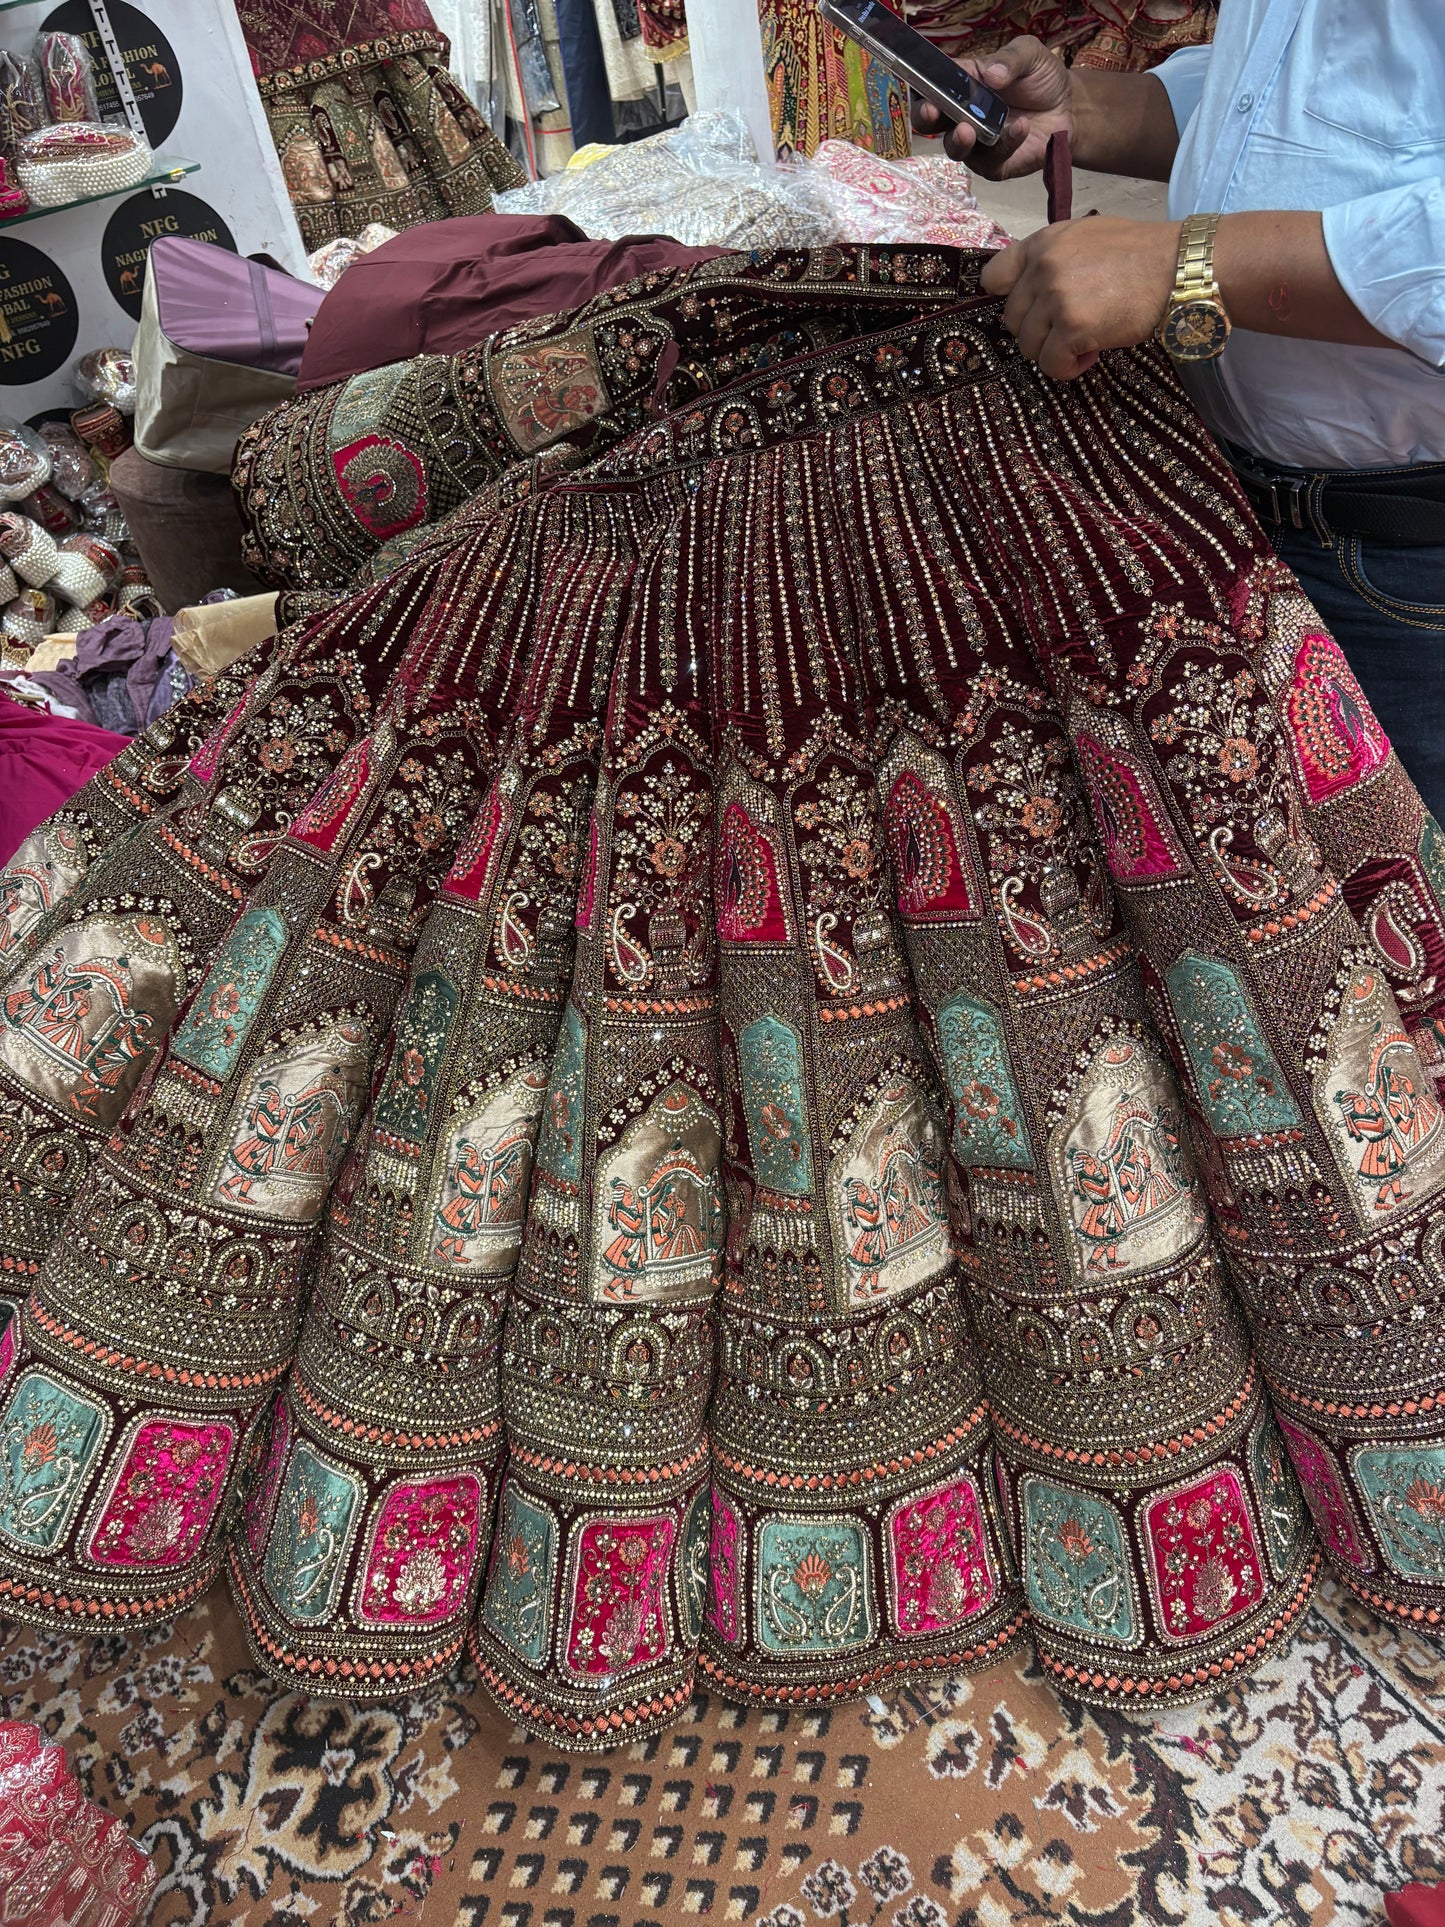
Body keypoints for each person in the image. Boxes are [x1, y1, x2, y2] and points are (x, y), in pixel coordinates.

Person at [913, 0, 1445, 819]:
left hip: (1406, 562)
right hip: (1238, 506)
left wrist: (1181, 266)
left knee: (1404, 907)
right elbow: (1302, 96)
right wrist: (1083, 112)